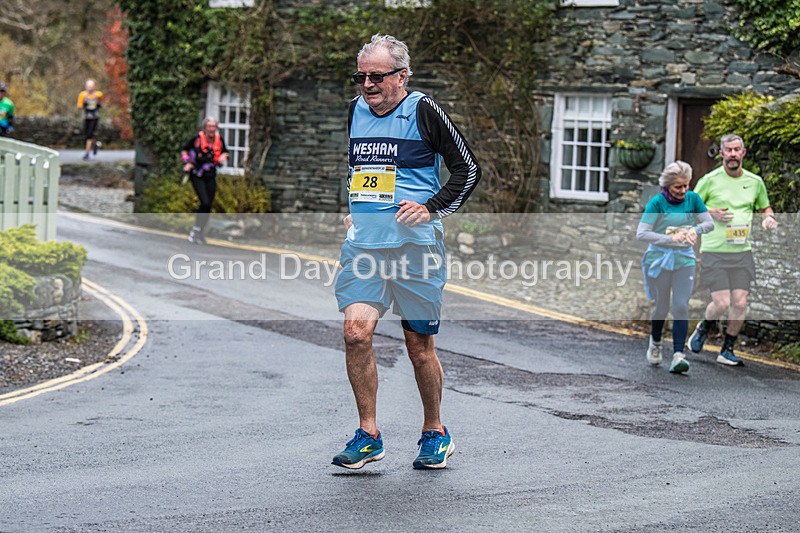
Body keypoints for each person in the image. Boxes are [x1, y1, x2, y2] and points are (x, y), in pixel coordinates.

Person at [332, 34, 481, 470]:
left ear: (401, 76)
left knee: (419, 348)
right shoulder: (355, 111)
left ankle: (434, 430)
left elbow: (467, 170)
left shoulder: (422, 110)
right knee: (355, 333)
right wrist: (356, 209)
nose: (366, 84)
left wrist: (431, 207)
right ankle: (368, 434)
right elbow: (361, 168)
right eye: (361, 76)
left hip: (416, 250)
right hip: (364, 246)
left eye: (376, 76)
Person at [689, 134, 778, 365]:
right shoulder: (710, 180)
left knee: (740, 303)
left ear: (743, 153)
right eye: (728, 150)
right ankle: (703, 327)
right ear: (721, 154)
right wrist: (711, 213)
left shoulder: (755, 181)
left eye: (737, 150)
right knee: (722, 303)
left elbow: (765, 207)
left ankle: (727, 349)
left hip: (741, 251)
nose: (733, 154)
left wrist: (768, 219)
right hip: (714, 250)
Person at [637, 161, 714, 374]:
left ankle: (679, 354)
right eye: (678, 187)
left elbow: (709, 223)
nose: (683, 191)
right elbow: (642, 233)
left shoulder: (693, 199)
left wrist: (695, 230)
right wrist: (670, 238)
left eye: (686, 185)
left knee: (681, 305)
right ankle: (656, 343)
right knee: (662, 305)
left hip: (684, 260)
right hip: (659, 259)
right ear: (667, 186)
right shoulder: (657, 203)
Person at [181, 117, 229, 245]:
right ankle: (196, 229)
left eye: (214, 126)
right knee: (205, 202)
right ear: (205, 128)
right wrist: (187, 162)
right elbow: (184, 150)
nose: (212, 129)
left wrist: (224, 157)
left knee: (209, 205)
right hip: (197, 174)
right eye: (209, 126)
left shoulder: (220, 140)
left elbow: (225, 153)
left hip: (210, 174)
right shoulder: (196, 139)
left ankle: (200, 232)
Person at [77, 79, 104, 160]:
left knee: (89, 135)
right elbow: (79, 106)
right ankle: (96, 144)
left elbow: (100, 101)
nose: (90, 88)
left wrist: (98, 105)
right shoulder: (83, 95)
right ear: (86, 87)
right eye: (89, 87)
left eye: (91, 87)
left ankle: (87, 153)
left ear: (94, 87)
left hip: (94, 117)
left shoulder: (98, 94)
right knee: (87, 135)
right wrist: (85, 105)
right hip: (87, 117)